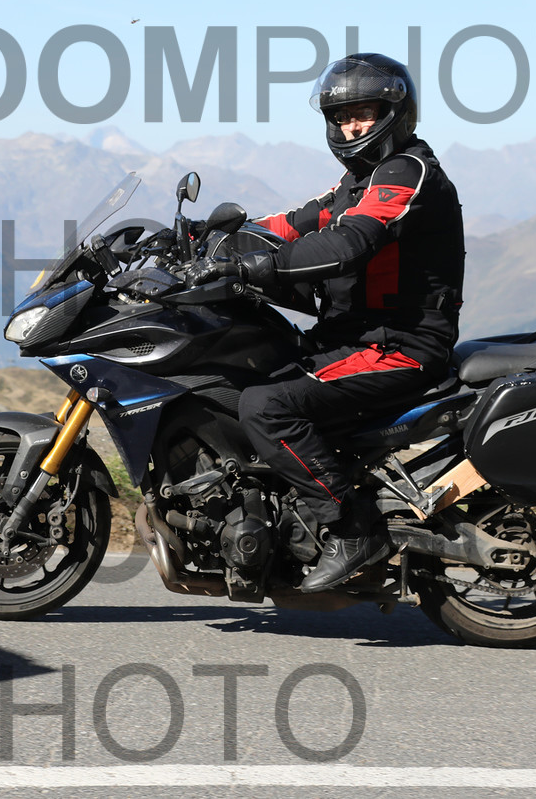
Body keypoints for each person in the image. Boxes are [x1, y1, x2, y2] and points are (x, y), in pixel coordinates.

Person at [180, 53, 465, 591]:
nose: (351, 127)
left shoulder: (407, 172)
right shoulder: (357, 181)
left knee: (266, 406)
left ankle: (353, 529)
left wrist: (256, 267)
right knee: (247, 370)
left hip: (398, 346)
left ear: (395, 113)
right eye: (341, 117)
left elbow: (350, 242)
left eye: (363, 114)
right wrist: (203, 237)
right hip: (350, 338)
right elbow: (289, 224)